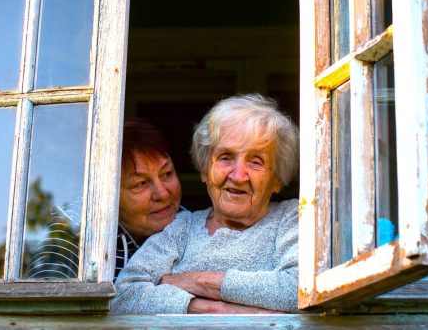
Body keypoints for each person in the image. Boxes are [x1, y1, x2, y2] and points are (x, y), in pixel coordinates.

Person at [112, 94, 299, 314]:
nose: (238, 176)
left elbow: (298, 289)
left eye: (256, 161)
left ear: (277, 178)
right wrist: (208, 309)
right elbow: (123, 295)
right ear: (204, 169)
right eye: (225, 157)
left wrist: (197, 281)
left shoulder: (292, 217)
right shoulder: (181, 227)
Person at [116, 119, 182, 277]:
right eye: (141, 183)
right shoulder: (76, 242)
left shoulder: (198, 227)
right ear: (108, 193)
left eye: (167, 174)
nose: (163, 194)